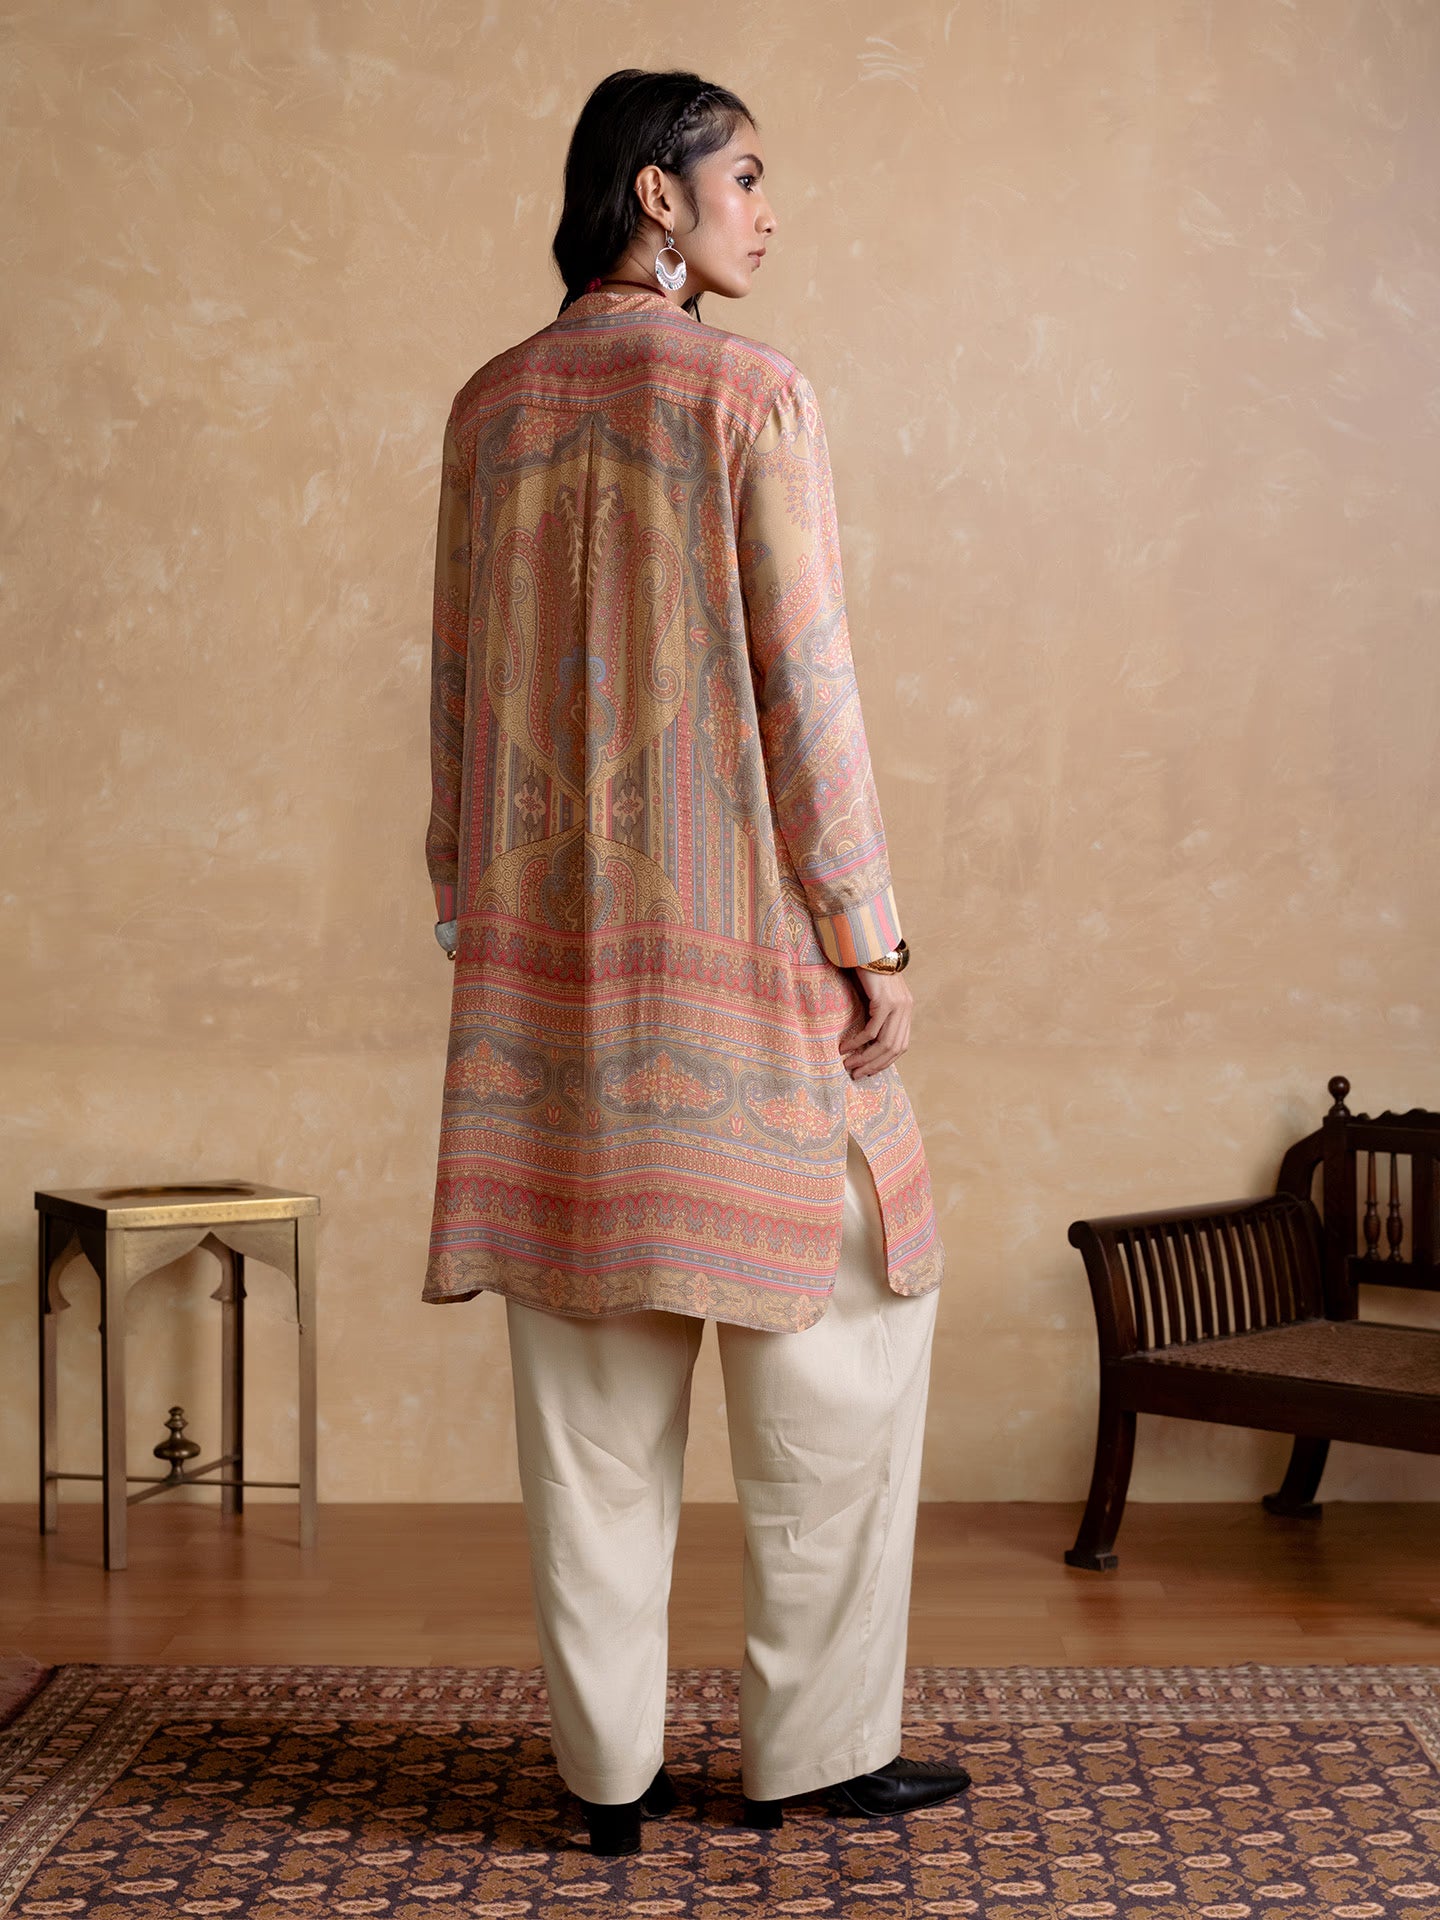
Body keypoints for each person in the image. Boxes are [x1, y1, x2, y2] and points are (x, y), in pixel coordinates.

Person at [422, 67, 968, 1855]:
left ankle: (606, 1782)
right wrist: (866, 931)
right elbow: (809, 693)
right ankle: (812, 1749)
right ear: (654, 196)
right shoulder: (752, 394)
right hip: (738, 974)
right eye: (743, 175)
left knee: (588, 1407)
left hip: (545, 992)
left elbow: (457, 697)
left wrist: (475, 916)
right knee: (841, 1354)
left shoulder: (489, 407)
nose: (766, 210)